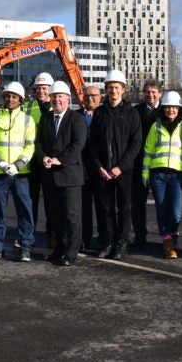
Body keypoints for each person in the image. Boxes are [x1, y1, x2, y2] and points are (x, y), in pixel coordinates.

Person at [86, 69, 142, 260]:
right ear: (106, 89)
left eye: (117, 87)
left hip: (123, 171)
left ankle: (122, 243)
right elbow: (92, 143)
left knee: (124, 208)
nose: (113, 91)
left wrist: (120, 167)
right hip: (104, 170)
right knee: (106, 208)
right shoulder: (100, 113)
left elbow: (136, 143)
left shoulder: (131, 113)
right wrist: (100, 167)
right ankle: (108, 242)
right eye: (110, 87)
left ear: (123, 89)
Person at [0, 81, 37, 262]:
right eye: (7, 96)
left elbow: (30, 146)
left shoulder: (28, 120)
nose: (10, 99)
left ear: (20, 99)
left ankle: (26, 247)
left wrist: (18, 165)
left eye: (14, 97)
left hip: (20, 174)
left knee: (25, 211)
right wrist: (1, 163)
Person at [36, 81, 87, 266]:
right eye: (54, 96)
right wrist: (43, 157)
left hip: (69, 175)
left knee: (72, 217)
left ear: (67, 98)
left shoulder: (76, 118)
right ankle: (60, 247)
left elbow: (78, 143)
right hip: (50, 177)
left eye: (60, 96)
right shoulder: (46, 118)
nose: (56, 99)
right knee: (55, 216)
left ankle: (72, 252)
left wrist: (60, 160)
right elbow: (38, 142)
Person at [141, 90, 182, 259]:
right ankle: (167, 241)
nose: (170, 110)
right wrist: (145, 172)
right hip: (158, 175)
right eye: (167, 107)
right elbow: (148, 151)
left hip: (177, 175)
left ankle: (173, 233)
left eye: (174, 107)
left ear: (179, 108)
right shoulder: (156, 126)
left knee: (176, 212)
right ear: (163, 108)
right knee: (161, 210)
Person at [131, 79, 162, 248]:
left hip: (159, 163)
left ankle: (168, 238)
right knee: (137, 203)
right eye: (147, 92)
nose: (150, 95)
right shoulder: (136, 111)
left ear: (160, 94)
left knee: (163, 204)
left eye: (153, 92)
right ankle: (140, 235)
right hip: (138, 163)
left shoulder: (167, 111)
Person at [25, 72, 54, 244]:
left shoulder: (56, 105)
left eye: (44, 88)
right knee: (30, 200)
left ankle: (52, 233)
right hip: (31, 160)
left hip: (49, 160)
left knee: (51, 200)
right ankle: (28, 234)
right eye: (38, 88)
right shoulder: (27, 107)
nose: (41, 91)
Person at [77, 84, 104, 253]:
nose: (90, 98)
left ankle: (103, 238)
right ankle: (84, 238)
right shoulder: (76, 116)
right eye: (87, 96)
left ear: (100, 98)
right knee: (84, 206)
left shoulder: (105, 115)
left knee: (102, 205)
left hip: (101, 168)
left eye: (94, 95)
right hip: (82, 169)